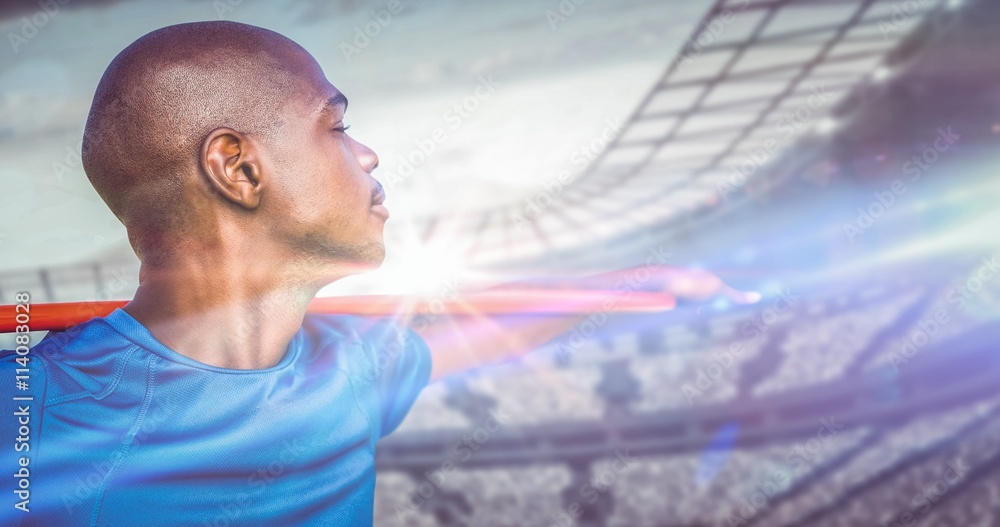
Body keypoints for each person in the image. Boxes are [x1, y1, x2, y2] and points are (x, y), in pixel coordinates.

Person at [0, 21, 753, 526]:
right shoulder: (38, 408)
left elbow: (479, 335)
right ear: (238, 168)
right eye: (336, 125)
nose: (367, 155)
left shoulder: (349, 366)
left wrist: (630, 285)